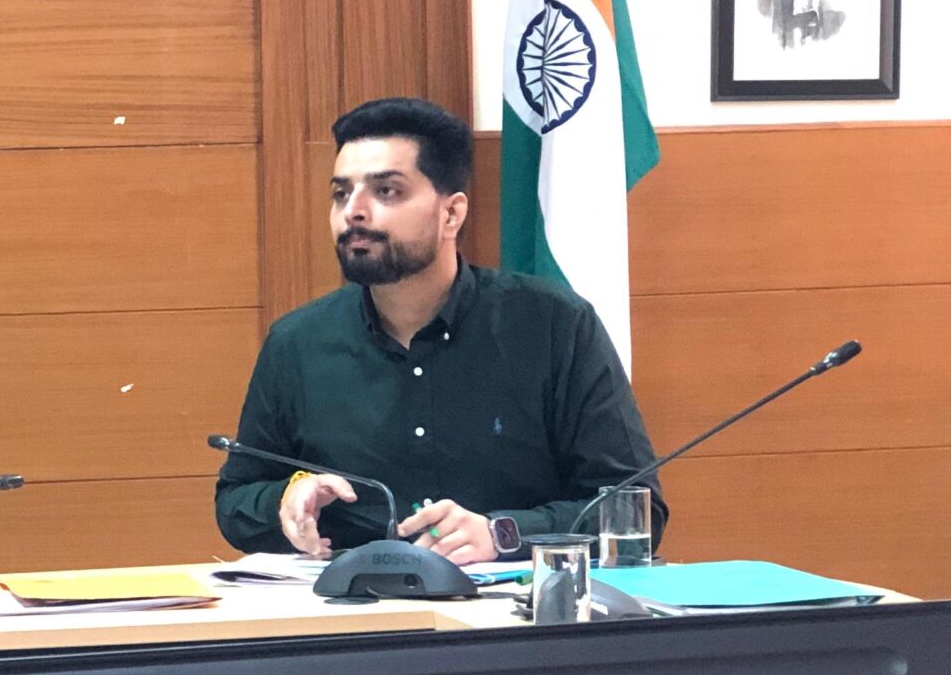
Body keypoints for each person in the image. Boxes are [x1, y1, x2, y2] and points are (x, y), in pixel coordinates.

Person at [215, 96, 664, 564]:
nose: (354, 212)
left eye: (386, 191)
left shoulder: (554, 326)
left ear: (451, 214)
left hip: (511, 602)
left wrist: (503, 534)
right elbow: (235, 501)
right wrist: (285, 500)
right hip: (353, 599)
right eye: (341, 194)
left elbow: (636, 510)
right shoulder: (297, 343)